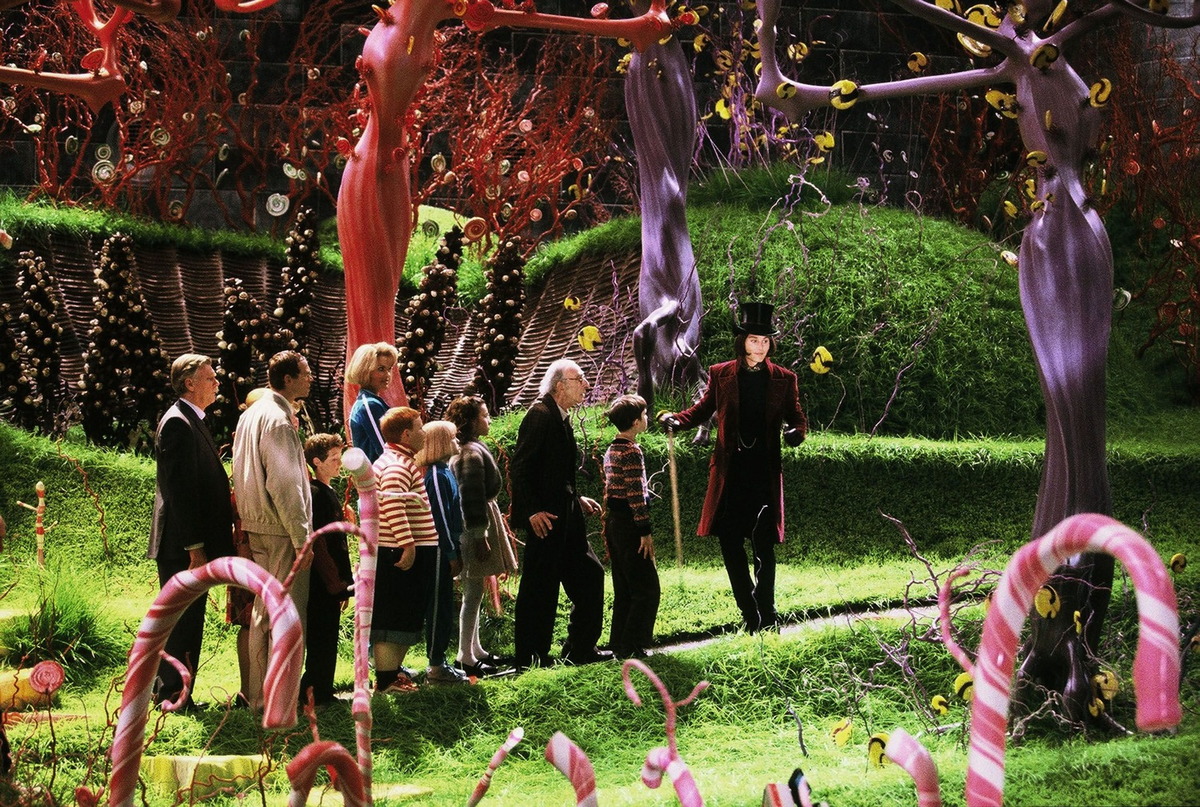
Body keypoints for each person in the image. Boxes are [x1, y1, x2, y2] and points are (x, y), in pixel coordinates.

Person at [659, 302, 806, 632]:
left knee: (763, 545)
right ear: (743, 342)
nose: (760, 347)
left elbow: (796, 416)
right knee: (729, 542)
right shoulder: (721, 373)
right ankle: (749, 610)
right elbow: (702, 409)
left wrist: (797, 433)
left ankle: (767, 612)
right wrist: (676, 420)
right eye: (754, 340)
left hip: (763, 474)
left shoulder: (784, 379)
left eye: (765, 341)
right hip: (731, 473)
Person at [147, 354, 235, 711]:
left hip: (188, 545)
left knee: (188, 620)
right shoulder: (178, 423)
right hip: (182, 547)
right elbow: (180, 493)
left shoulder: (191, 419)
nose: (217, 383)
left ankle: (176, 692)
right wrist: (195, 549)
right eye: (210, 378)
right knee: (181, 622)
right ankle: (172, 695)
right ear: (189, 383)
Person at [510, 359, 610, 669]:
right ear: (559, 385)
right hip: (547, 520)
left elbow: (552, 472)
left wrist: (576, 498)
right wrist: (531, 511)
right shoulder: (540, 415)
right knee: (540, 588)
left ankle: (579, 648)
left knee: (590, 575)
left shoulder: (561, 416)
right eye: (580, 379)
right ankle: (530, 660)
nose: (586, 384)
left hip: (566, 514)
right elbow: (520, 467)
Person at [231, 350, 314, 711]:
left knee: (264, 614)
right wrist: (302, 537)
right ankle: (276, 700)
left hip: (259, 524)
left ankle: (260, 696)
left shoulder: (252, 414)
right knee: (285, 616)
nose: (310, 378)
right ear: (288, 379)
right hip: (280, 529)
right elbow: (284, 484)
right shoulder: (278, 419)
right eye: (305, 373)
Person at [446, 395, 518, 677]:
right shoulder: (469, 454)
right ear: (471, 421)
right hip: (474, 524)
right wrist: (480, 535)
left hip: (481, 520)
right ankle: (465, 655)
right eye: (484, 415)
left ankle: (474, 648)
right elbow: (471, 497)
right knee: (473, 590)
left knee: (475, 590)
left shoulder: (471, 448)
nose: (489, 420)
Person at [370, 406, 436, 693]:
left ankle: (393, 675)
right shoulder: (397, 465)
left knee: (404, 614)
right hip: (398, 551)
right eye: (420, 428)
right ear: (406, 435)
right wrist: (407, 545)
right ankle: (386, 679)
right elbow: (393, 504)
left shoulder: (398, 460)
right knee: (394, 615)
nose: (424, 433)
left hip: (400, 548)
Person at [602, 394, 659, 659]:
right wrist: (644, 531)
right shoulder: (631, 451)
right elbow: (635, 494)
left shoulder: (612, 449)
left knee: (625, 587)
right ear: (635, 422)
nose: (647, 419)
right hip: (629, 524)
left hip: (615, 523)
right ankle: (633, 645)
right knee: (646, 588)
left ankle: (620, 643)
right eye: (644, 415)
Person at [300, 433, 354, 706]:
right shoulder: (316, 494)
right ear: (316, 462)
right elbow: (320, 543)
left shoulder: (327, 491)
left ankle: (321, 689)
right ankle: (315, 692)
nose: (339, 463)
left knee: (328, 636)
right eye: (333, 458)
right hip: (323, 581)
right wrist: (336, 582)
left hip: (332, 578)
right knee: (322, 636)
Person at [419, 420, 469, 684]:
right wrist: (451, 553)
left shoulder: (444, 471)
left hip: (447, 546)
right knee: (438, 607)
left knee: (445, 606)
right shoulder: (437, 476)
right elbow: (439, 519)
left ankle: (439, 662)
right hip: (439, 549)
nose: (457, 441)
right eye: (452, 437)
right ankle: (435, 666)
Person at [347, 342, 400, 463]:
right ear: (365, 371)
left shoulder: (370, 402)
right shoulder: (369, 405)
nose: (387, 375)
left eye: (389, 369)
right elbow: (385, 449)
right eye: (381, 369)